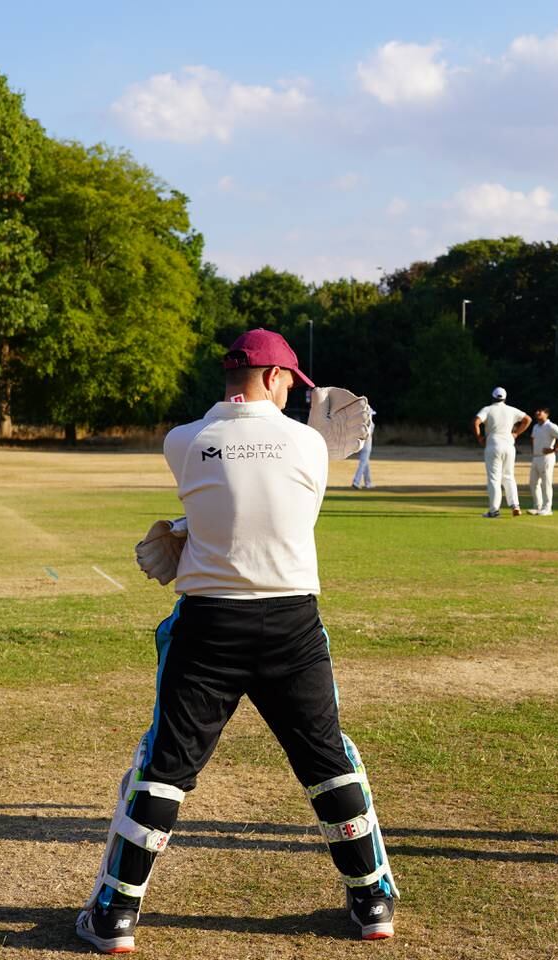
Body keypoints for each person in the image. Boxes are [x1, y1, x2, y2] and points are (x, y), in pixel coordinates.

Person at [75, 329, 397, 953]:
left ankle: (116, 914)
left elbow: (231, 503)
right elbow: (284, 513)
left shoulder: (182, 440)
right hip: (290, 624)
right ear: (277, 379)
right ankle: (373, 900)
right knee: (328, 761)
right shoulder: (308, 444)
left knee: (165, 769)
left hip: (209, 626)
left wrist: (184, 526)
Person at [472, 387, 529, 518]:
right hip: (509, 446)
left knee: (494, 479)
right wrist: (516, 433)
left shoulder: (487, 409)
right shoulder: (512, 410)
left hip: (493, 445)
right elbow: (527, 419)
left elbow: (476, 421)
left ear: (492, 397)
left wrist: (480, 438)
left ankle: (494, 511)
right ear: (505, 398)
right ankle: (515, 505)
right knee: (509, 476)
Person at [527, 407, 558, 516]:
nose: (537, 413)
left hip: (546, 458)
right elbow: (532, 439)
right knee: (533, 483)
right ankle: (538, 506)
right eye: (537, 411)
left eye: (540, 411)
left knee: (546, 483)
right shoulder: (535, 426)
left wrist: (554, 449)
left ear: (546, 414)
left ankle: (547, 508)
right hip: (536, 457)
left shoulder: (550, 426)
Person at [352, 404, 377, 489]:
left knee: (366, 463)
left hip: (362, 443)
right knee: (363, 463)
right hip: (366, 444)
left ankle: (368, 483)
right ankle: (356, 481)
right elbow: (368, 434)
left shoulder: (361, 422)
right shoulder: (368, 423)